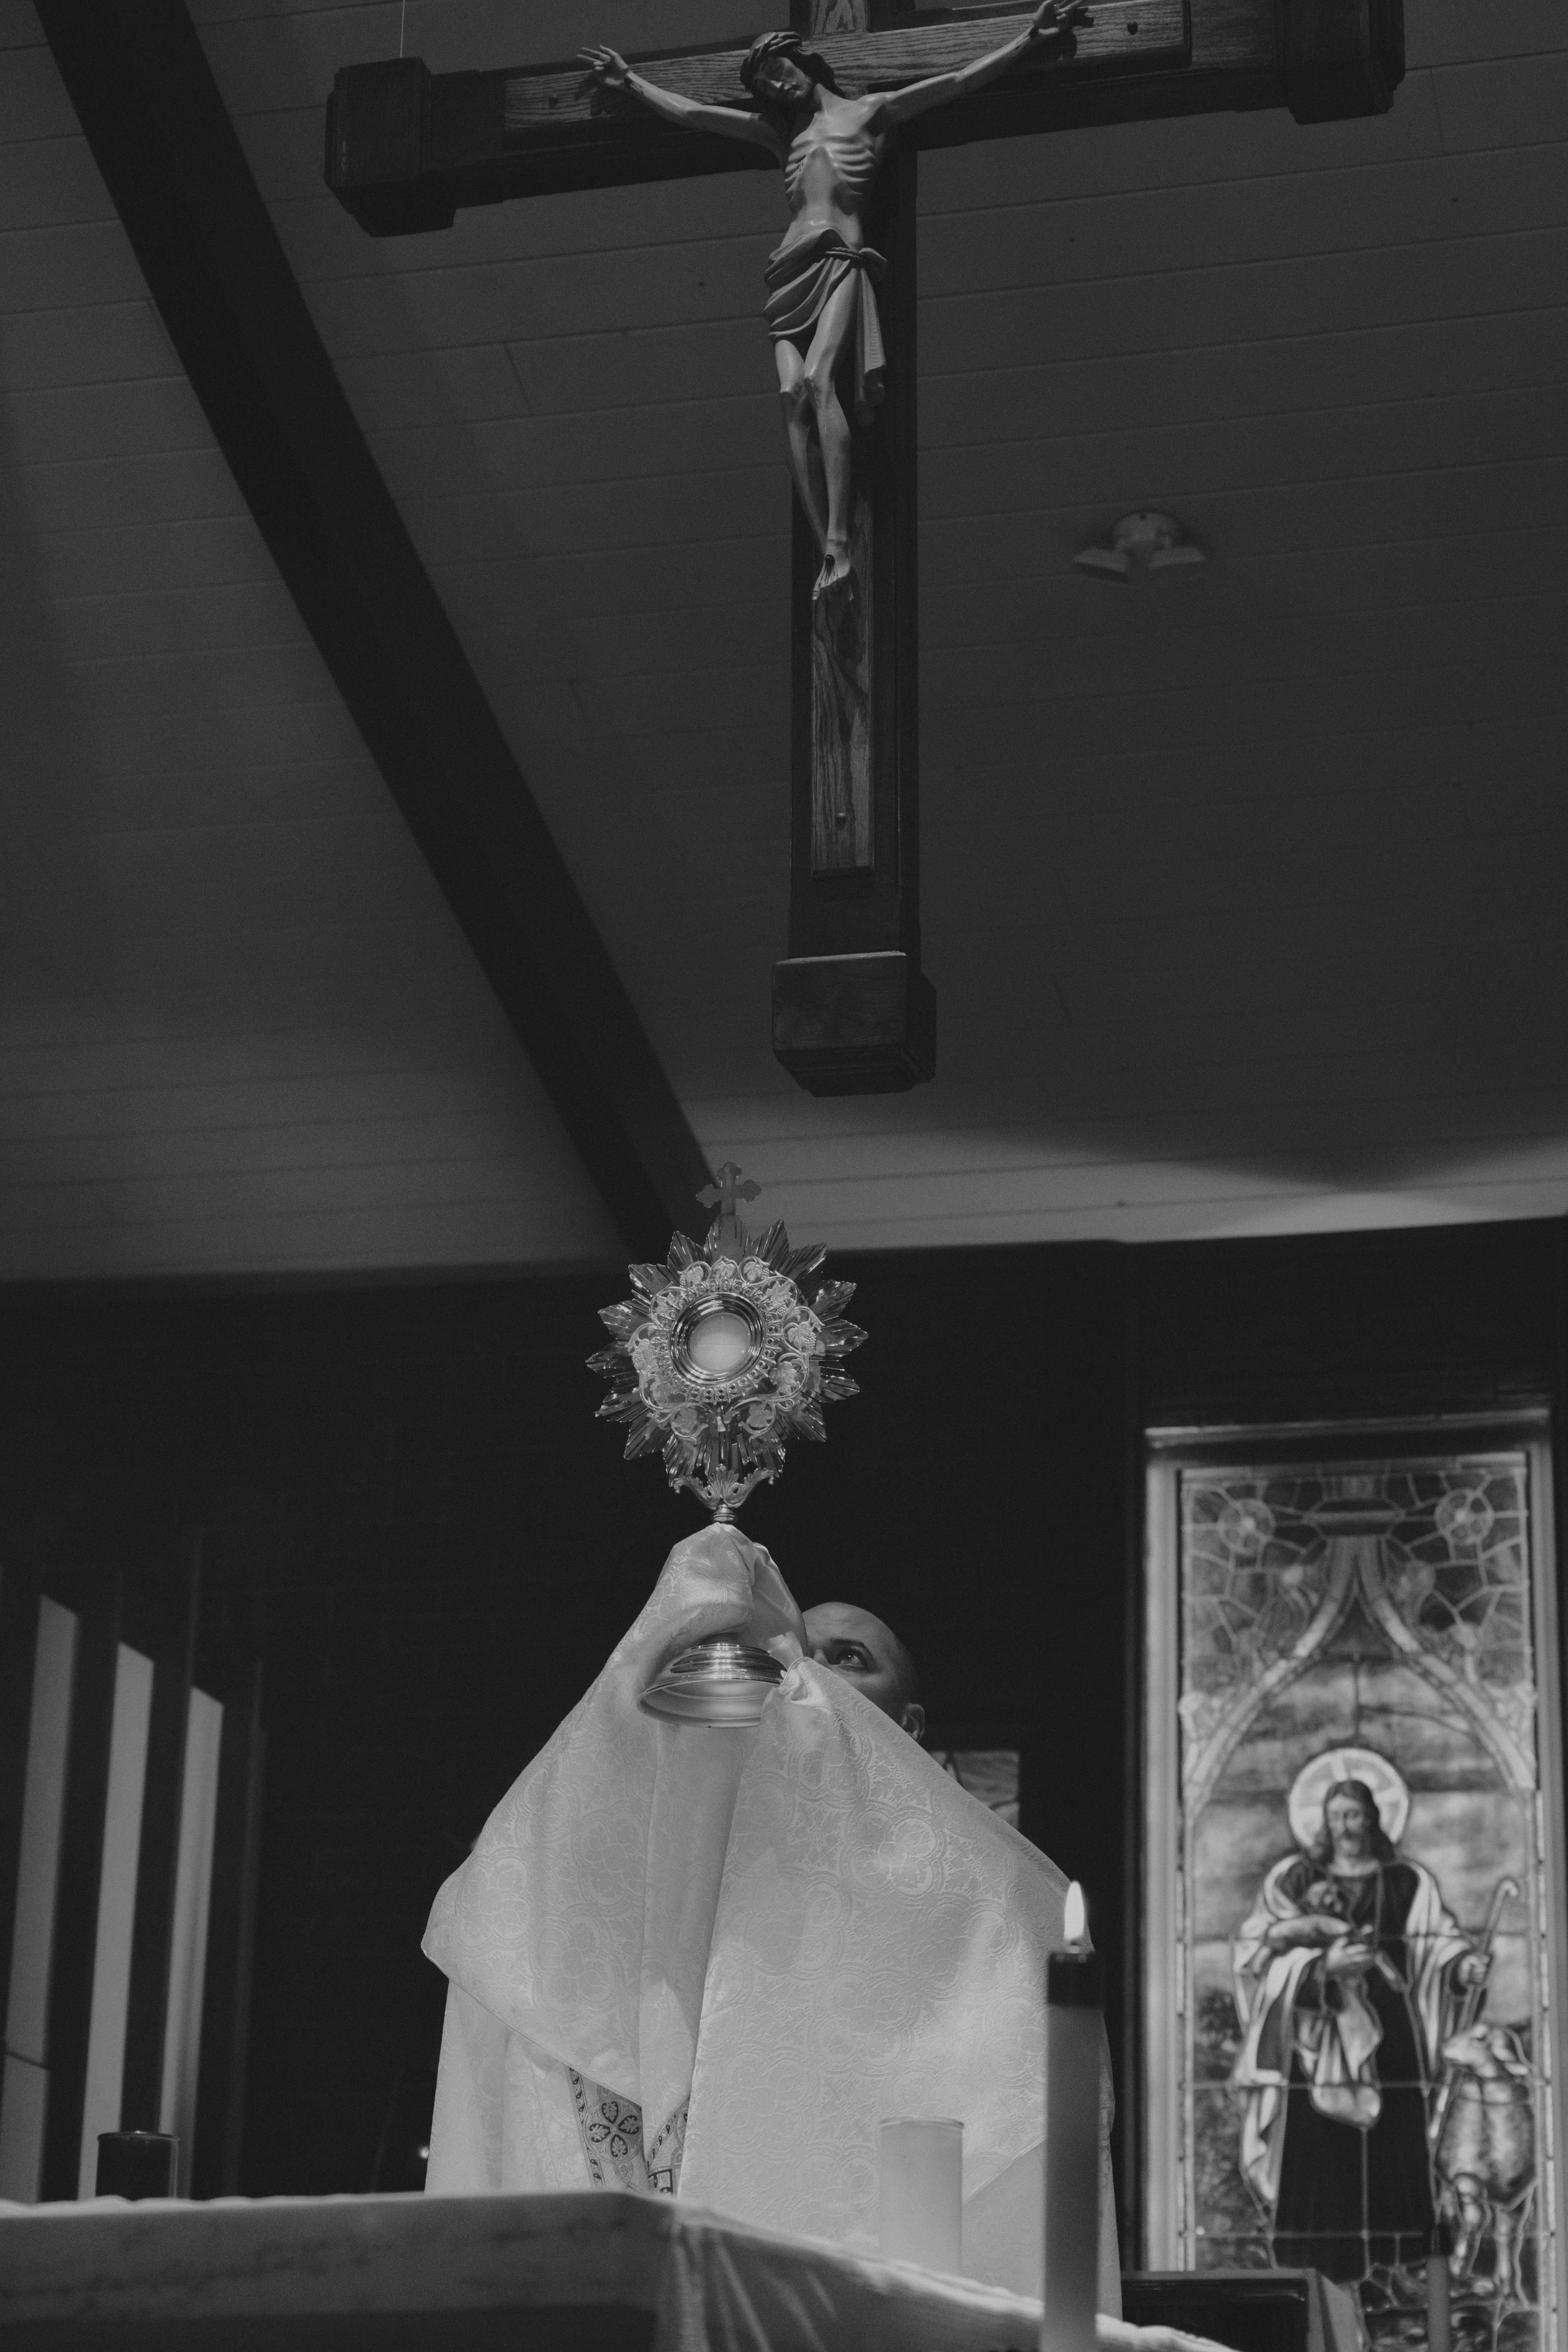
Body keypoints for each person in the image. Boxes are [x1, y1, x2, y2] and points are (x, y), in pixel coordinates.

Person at [422, 1525, 1118, 2308]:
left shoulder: (988, 1917)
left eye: (849, 1657)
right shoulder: (645, 1898)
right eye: (795, 1652)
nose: (805, 1675)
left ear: (912, 1724)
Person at [580, 7, 1086, 600]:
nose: (776, 85)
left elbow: (957, 82)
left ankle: (842, 540)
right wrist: (632, 81)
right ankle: (828, 549)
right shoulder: (780, 135)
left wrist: (1029, 39)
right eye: (765, 83)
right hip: (789, 268)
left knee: (821, 379)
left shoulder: (871, 112)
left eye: (779, 71)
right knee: (789, 396)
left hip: (841, 257)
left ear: (803, 60)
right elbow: (695, 114)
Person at [1231, 1775, 1490, 2285]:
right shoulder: (1294, 1880)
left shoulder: (1407, 1882)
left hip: (1392, 2034)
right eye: (1335, 1818)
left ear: (1373, 1816)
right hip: (1319, 2031)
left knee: (1396, 2141)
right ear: (1323, 1824)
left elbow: (1437, 1943)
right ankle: (1314, 2271)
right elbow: (1259, 1950)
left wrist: (1462, 1968)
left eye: (1353, 1815)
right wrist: (1321, 1969)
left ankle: (1405, 2269)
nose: (1345, 1827)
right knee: (1322, 2149)